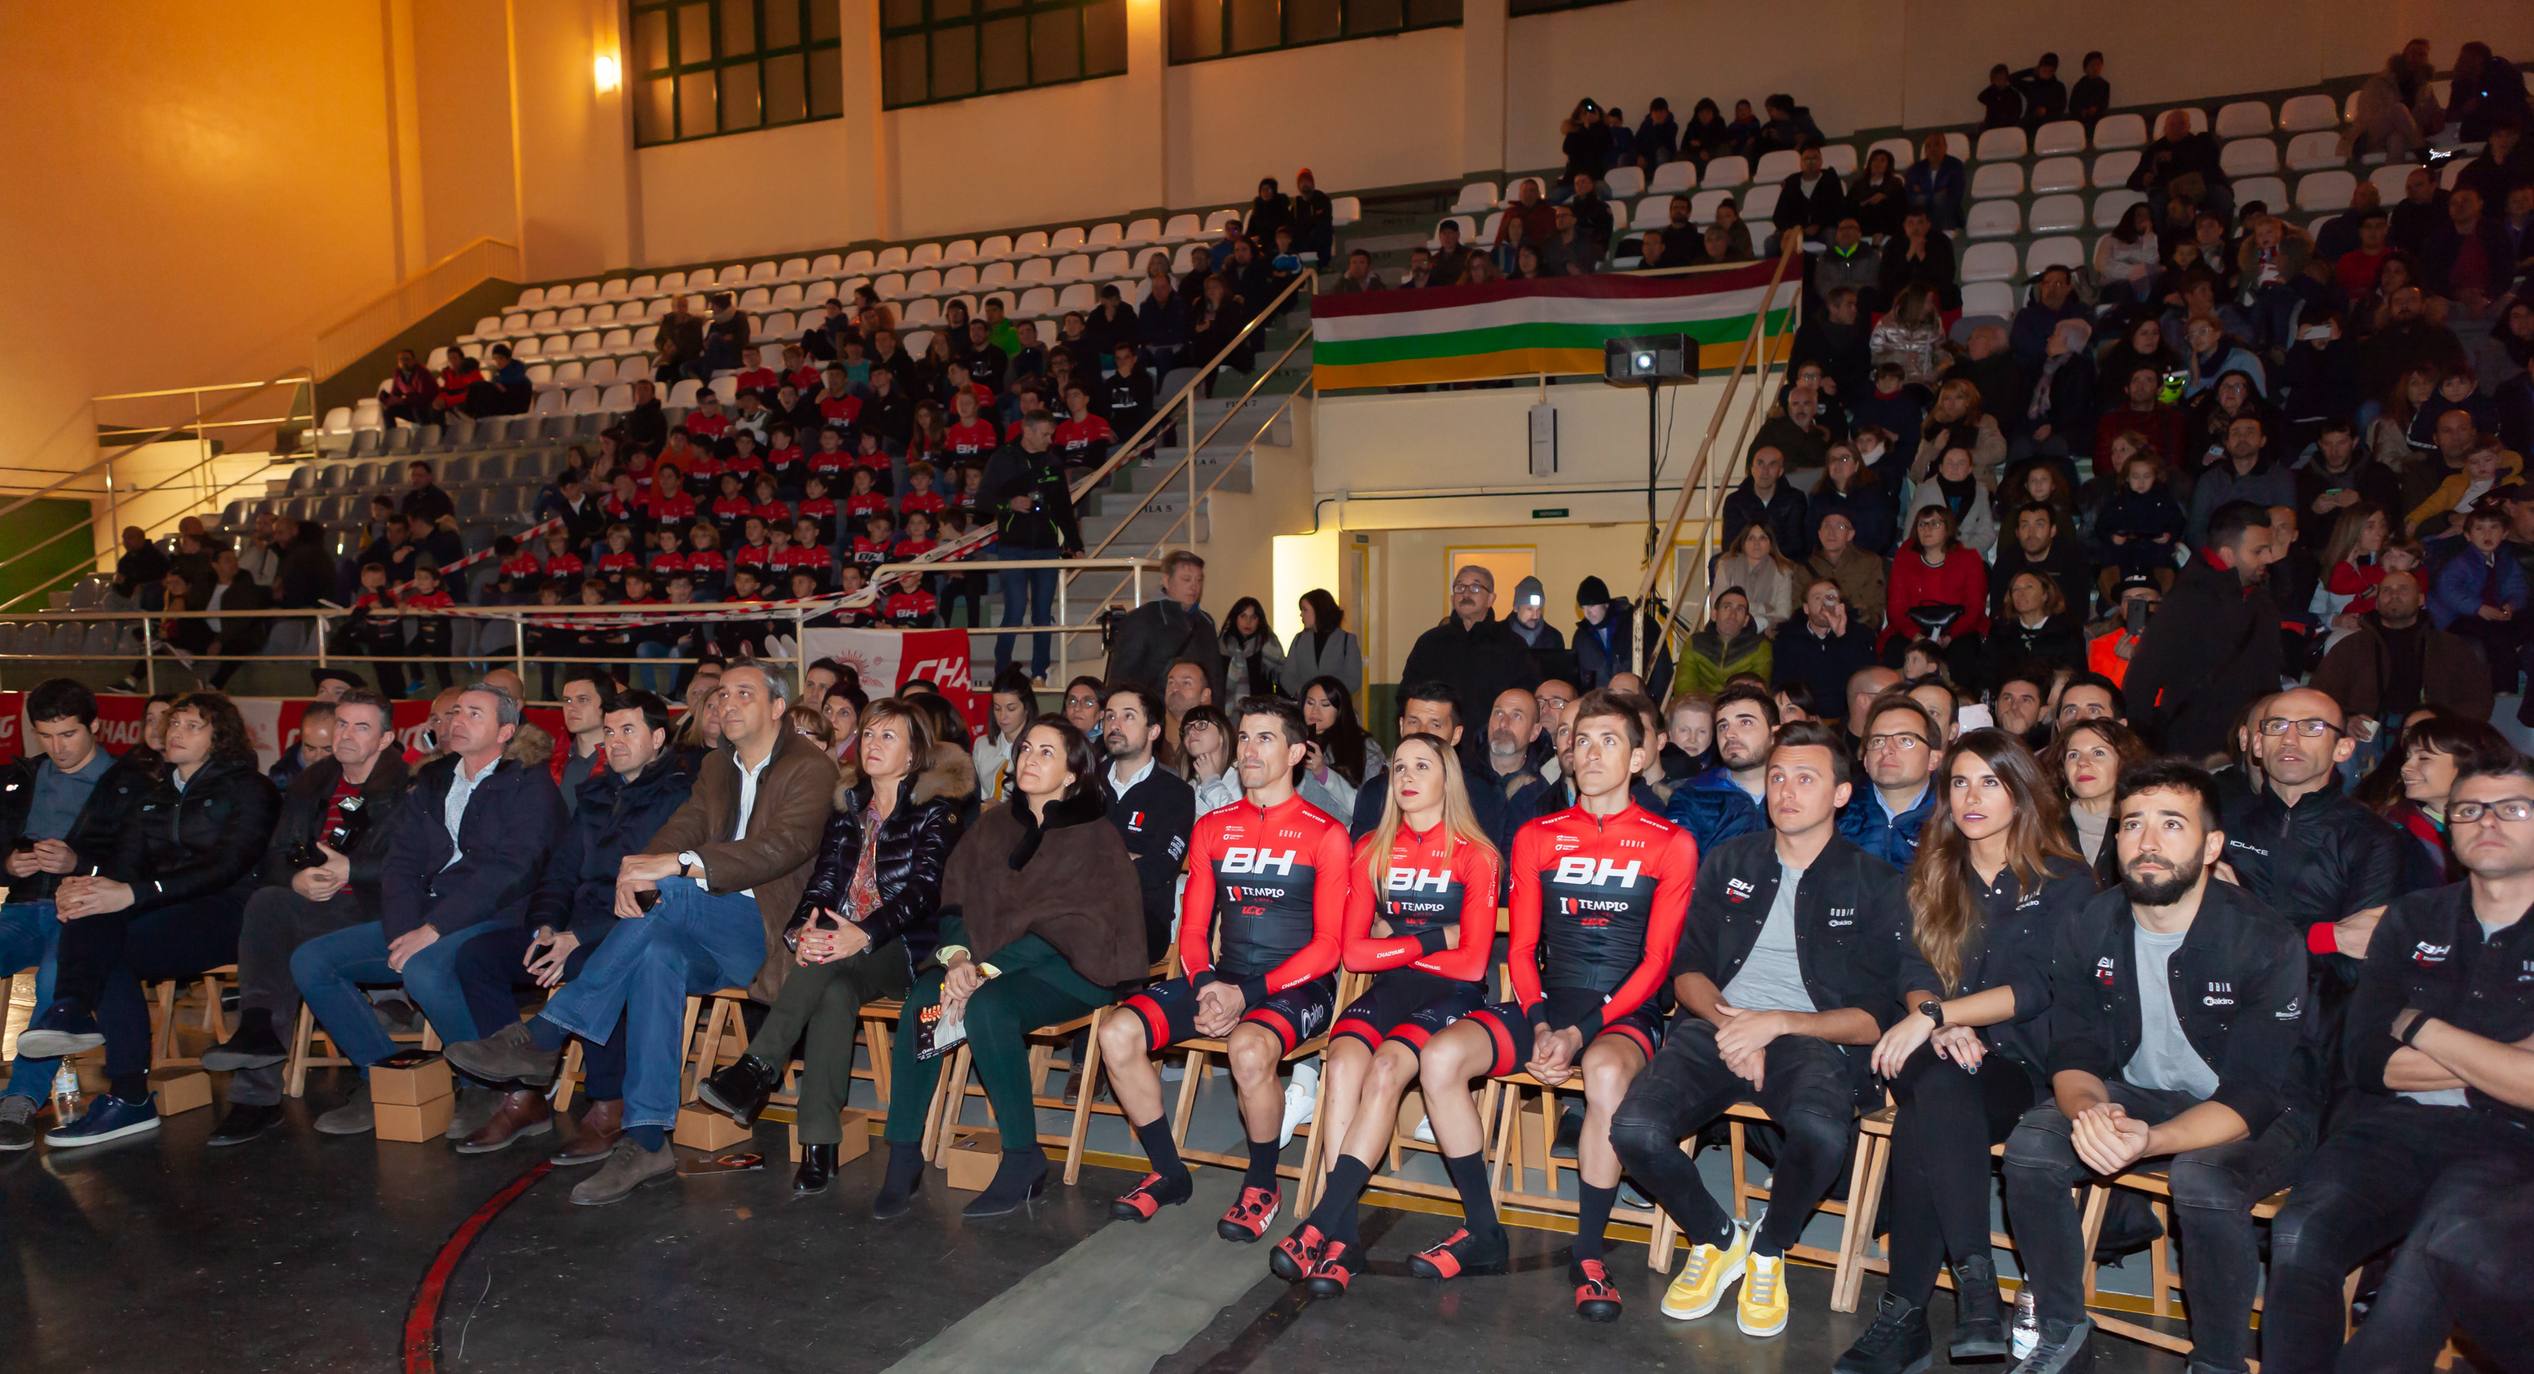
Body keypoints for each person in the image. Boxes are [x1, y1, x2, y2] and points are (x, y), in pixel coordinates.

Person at [439, 661, 835, 1205]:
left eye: (745, 692)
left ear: (776, 708)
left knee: (668, 891)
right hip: (698, 925)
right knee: (655, 957)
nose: (729, 702)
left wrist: (672, 867)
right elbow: (686, 824)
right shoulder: (719, 767)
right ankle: (647, 1139)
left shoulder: (809, 766)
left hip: (762, 928)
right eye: (723, 694)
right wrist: (639, 864)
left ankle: (547, 1037)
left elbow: (781, 848)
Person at [1999, 760, 2316, 1374]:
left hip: (2261, 1110)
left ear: (2212, 844)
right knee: (2032, 1150)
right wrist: (2092, 1115)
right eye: (2133, 824)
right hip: (2141, 1093)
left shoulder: (2263, 939)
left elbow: (2255, 1092)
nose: (2147, 842)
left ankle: (2218, 1363)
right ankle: (2062, 1334)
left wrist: (2153, 1142)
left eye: (2172, 824)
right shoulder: (2090, 923)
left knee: (2202, 1180)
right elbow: (2075, 1053)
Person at [1615, 720, 1906, 1340]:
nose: (1787, 791)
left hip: (1813, 1039)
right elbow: (1688, 968)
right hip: (1719, 1022)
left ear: (1840, 794)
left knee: (1822, 1136)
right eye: (1777, 777)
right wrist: (1734, 1027)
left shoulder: (1875, 882)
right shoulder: (1730, 860)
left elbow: (1874, 1019)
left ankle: (1770, 1247)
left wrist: (1777, 1025)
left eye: (1806, 778)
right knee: (1633, 1130)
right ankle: (1719, 1239)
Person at [1411, 690, 1697, 1318]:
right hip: (1548, 1003)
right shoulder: (1540, 835)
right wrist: (1543, 1022)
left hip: (1628, 1011)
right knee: (1439, 1059)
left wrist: (1577, 1032)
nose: (1590, 753)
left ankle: (1588, 1253)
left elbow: (1657, 964)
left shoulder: (1670, 842)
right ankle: (1483, 1230)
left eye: (1610, 741)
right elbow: (1524, 948)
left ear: (1641, 755)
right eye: (1581, 739)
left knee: (1600, 1071)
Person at [2265, 751, 2534, 1370]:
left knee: (2435, 1259)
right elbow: (2367, 1059)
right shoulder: (2414, 917)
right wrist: (2501, 1059)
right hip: (2397, 1124)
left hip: (2512, 1142)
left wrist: (2420, 1026)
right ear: (2450, 825)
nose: (2487, 822)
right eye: (2470, 809)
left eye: (2512, 809)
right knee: (2299, 1235)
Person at [1836, 731, 2094, 1373]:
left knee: (1930, 1111)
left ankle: (1907, 1314)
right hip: (1935, 1052)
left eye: (1990, 782)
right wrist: (1935, 1019)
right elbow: (1909, 964)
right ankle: (1977, 1293)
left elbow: (2043, 985)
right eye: (1959, 782)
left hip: (2020, 1066)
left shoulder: (2066, 878)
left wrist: (1938, 1016)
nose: (1972, 796)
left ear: (2021, 791)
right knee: (1939, 1080)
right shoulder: (1932, 869)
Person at [853, 714, 1147, 1219]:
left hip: (1072, 970)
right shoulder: (992, 825)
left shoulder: (1094, 835)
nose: (1030, 758)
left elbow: (1077, 927)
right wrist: (960, 958)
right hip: (986, 963)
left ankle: (1022, 1157)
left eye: (1046, 752)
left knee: (988, 1009)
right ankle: (903, 1151)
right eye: (1027, 749)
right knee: (923, 1001)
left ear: (1074, 772)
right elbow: (957, 901)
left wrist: (985, 970)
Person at [1096, 696, 1350, 1237]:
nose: (1250, 750)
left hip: (1301, 985)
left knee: (1249, 1046)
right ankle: (1168, 1173)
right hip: (1224, 978)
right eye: (1245, 738)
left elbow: (1329, 947)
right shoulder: (1214, 826)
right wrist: (1208, 982)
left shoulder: (1325, 833)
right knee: (1117, 1031)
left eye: (1266, 739)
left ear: (1298, 752)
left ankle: (1263, 1183)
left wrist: (1247, 993)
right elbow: (1191, 931)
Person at [694, 698, 963, 1193]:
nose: (872, 744)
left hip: (902, 945)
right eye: (867, 734)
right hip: (842, 943)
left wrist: (864, 933)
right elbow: (822, 883)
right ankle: (819, 1144)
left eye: (887, 737)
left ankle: (756, 1070)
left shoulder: (936, 812)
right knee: (831, 990)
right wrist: (801, 931)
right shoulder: (848, 807)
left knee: (824, 960)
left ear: (913, 754)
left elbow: (926, 892)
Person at [1273, 734, 1501, 1296]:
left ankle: (1321, 1224)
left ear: (1447, 777)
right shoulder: (1373, 847)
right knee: (1343, 1057)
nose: (1406, 775)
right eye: (1399, 766)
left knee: (1386, 1067)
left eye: (1422, 765)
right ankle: (1344, 1240)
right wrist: (1432, 936)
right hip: (1397, 986)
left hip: (1453, 995)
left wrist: (1396, 936)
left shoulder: (1478, 853)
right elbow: (1353, 952)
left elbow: (1472, 963)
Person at [283, 681, 561, 1138]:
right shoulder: (433, 779)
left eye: (475, 714)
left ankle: (484, 1086)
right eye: (456, 713)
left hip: (493, 917)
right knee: (312, 960)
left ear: (506, 731)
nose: (457, 721)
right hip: (427, 916)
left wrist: (432, 929)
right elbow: (401, 862)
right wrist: (401, 930)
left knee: (426, 970)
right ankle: (387, 1077)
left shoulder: (529, 787)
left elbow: (511, 872)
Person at [432, 689, 693, 1162]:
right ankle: (524, 1093)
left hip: (629, 929)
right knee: (478, 957)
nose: (614, 742)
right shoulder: (594, 796)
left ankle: (609, 1104)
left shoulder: (678, 798)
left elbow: (654, 894)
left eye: (627, 731)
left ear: (658, 738)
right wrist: (547, 928)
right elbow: (559, 872)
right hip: (572, 926)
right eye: (609, 731)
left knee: (593, 965)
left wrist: (577, 938)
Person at [20, 694, 280, 1148]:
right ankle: (97, 1047)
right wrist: (83, 885)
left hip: (231, 913)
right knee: (94, 910)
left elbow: (227, 867)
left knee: (110, 930)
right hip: (164, 910)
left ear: (220, 737)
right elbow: (123, 867)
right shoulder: (154, 796)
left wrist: (135, 893)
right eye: (173, 723)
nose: (175, 732)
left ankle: (111, 1068)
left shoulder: (250, 788)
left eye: (192, 726)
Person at [196, 689, 411, 1147]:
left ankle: (256, 1090)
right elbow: (274, 858)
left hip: (377, 911)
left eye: (361, 727)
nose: (347, 735)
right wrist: (297, 880)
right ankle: (257, 1031)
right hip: (315, 905)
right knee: (269, 903)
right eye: (342, 724)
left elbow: (410, 866)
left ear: (386, 738)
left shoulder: (407, 788)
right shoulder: (312, 782)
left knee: (283, 937)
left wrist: (348, 870)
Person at [0, 680, 155, 1151]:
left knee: (57, 979)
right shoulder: (21, 776)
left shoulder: (130, 784)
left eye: (67, 734)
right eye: (45, 735)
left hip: (85, 910)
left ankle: (20, 1100)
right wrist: (8, 863)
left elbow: (140, 865)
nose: (56, 747)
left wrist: (79, 864)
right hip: (23, 905)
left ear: (95, 727)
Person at [2125, 502, 2284, 759]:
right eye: (2259, 551)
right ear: (2228, 554)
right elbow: (2144, 678)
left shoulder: (2261, 602)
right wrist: (2139, 751)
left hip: (2249, 744)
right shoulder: (2186, 602)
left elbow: (2269, 676)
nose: (2269, 558)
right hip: (2191, 747)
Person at [2312, 568, 2495, 725]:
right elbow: (2320, 695)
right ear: (2376, 602)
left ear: (2421, 599)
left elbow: (2478, 701)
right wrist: (2346, 720)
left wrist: (2443, 725)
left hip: (2432, 735)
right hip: (2366, 736)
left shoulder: (2450, 647)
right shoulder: (2351, 647)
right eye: (2386, 590)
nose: (2394, 595)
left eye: (2403, 589)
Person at [981, 412, 1084, 682]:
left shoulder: (1052, 462)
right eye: (1045, 434)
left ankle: (1040, 671)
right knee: (1014, 610)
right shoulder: (1003, 458)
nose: (1050, 440)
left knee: (1042, 612)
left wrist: (1076, 545)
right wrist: (1009, 504)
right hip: (1013, 546)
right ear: (1027, 431)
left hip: (1047, 547)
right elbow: (982, 500)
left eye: (1051, 434)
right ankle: (1002, 672)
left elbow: (1063, 508)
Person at [1099, 684, 1196, 963]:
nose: (1115, 724)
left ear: (1153, 731)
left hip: (1142, 919)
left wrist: (1092, 859)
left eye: (1128, 716)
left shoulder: (1175, 793)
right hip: (1078, 908)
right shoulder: (1084, 785)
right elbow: (1060, 853)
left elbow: (1159, 868)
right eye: (1110, 716)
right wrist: (1126, 858)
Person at [1400, 565, 1541, 721]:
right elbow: (1407, 694)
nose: (1466, 593)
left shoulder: (1512, 645)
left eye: (1475, 587)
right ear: (1452, 598)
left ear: (1490, 599)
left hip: (1492, 739)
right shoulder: (1429, 643)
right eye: (1460, 587)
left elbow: (1526, 697)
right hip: (1438, 739)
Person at [1666, 682, 1774, 854]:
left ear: (1774, 734)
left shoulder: (1800, 794)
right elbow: (1679, 867)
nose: (1729, 734)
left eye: (1745, 722)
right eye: (1723, 726)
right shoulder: (1692, 796)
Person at [1106, 549, 1224, 702]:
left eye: (1199, 580)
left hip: (1196, 716)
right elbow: (1122, 679)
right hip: (1155, 714)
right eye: (1186, 579)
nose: (1194, 587)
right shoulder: (1142, 619)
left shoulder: (1206, 622)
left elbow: (1215, 679)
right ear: (1167, 581)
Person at [1839, 693, 1942, 867]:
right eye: (1878, 741)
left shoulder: (1952, 817)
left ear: (1933, 759)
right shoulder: (1838, 811)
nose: (1887, 750)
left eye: (1905, 740)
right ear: (1865, 760)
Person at [1773, 578, 1879, 726]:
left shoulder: (1861, 635)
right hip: (1806, 718)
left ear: (1840, 605)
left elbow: (1867, 680)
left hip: (1850, 717)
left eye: (1830, 597)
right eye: (1817, 598)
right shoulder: (1787, 639)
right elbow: (1782, 684)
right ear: (1806, 608)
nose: (1824, 603)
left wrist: (1842, 636)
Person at [2057, 717, 2150, 882]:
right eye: (2073, 755)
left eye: (2098, 753)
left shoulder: (2145, 828)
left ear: (2124, 762)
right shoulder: (2045, 828)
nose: (2083, 763)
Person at [1676, 587, 1771, 698]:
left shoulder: (1759, 647)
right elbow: (1684, 687)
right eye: (1726, 607)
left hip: (1739, 710)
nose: (1732, 614)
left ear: (1746, 620)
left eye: (1740, 609)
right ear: (1714, 615)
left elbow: (1757, 694)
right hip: (1701, 709)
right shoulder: (1695, 643)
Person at [1279, 587, 1362, 697]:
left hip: (1335, 707)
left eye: (1305, 609)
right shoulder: (1299, 640)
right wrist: (1300, 691)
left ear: (1318, 610)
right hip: (1305, 706)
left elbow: (1354, 679)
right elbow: (1287, 676)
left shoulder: (1346, 640)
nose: (1301, 615)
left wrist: (1330, 695)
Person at [1218, 596, 1284, 702]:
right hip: (1227, 708)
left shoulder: (1268, 644)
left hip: (1261, 708)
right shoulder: (1223, 645)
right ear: (1235, 618)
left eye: (1253, 617)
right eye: (1243, 616)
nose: (1248, 622)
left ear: (1259, 620)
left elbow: (1281, 678)